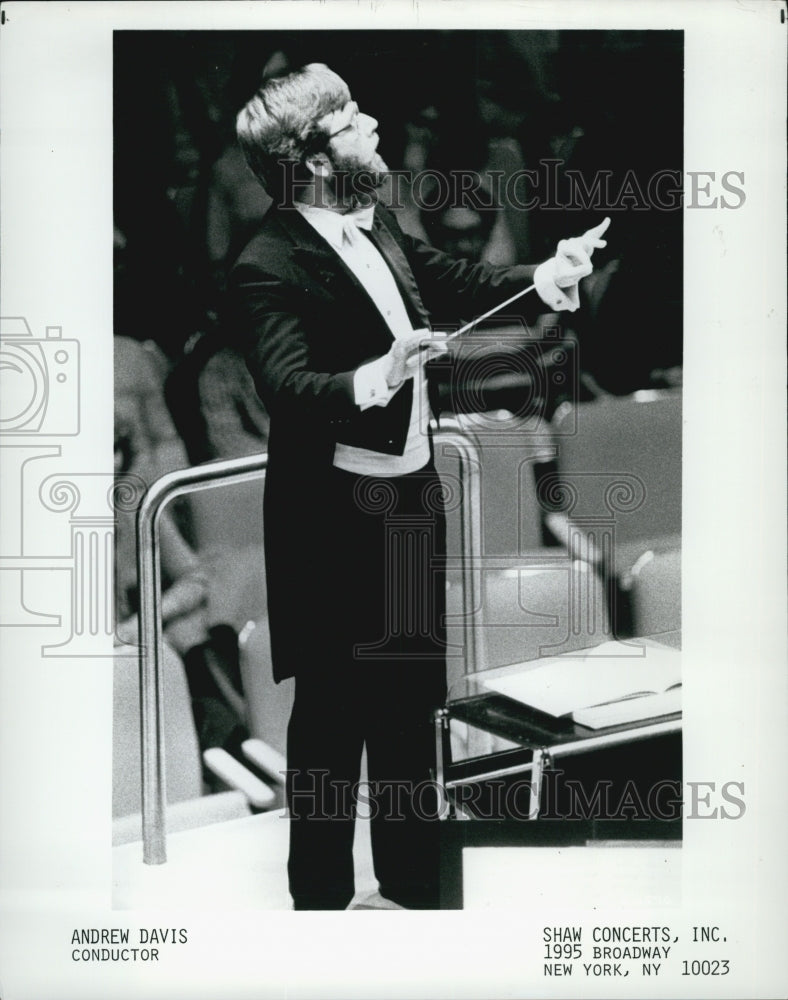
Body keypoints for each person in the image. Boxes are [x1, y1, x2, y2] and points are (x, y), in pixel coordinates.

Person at [229, 63, 608, 910]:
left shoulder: (379, 223)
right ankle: (320, 903)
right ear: (312, 156)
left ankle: (411, 880)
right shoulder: (265, 262)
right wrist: (379, 371)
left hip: (406, 502)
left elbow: (458, 282)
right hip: (330, 519)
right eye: (353, 117)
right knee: (331, 720)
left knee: (409, 702)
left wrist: (547, 272)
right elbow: (290, 384)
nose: (373, 123)